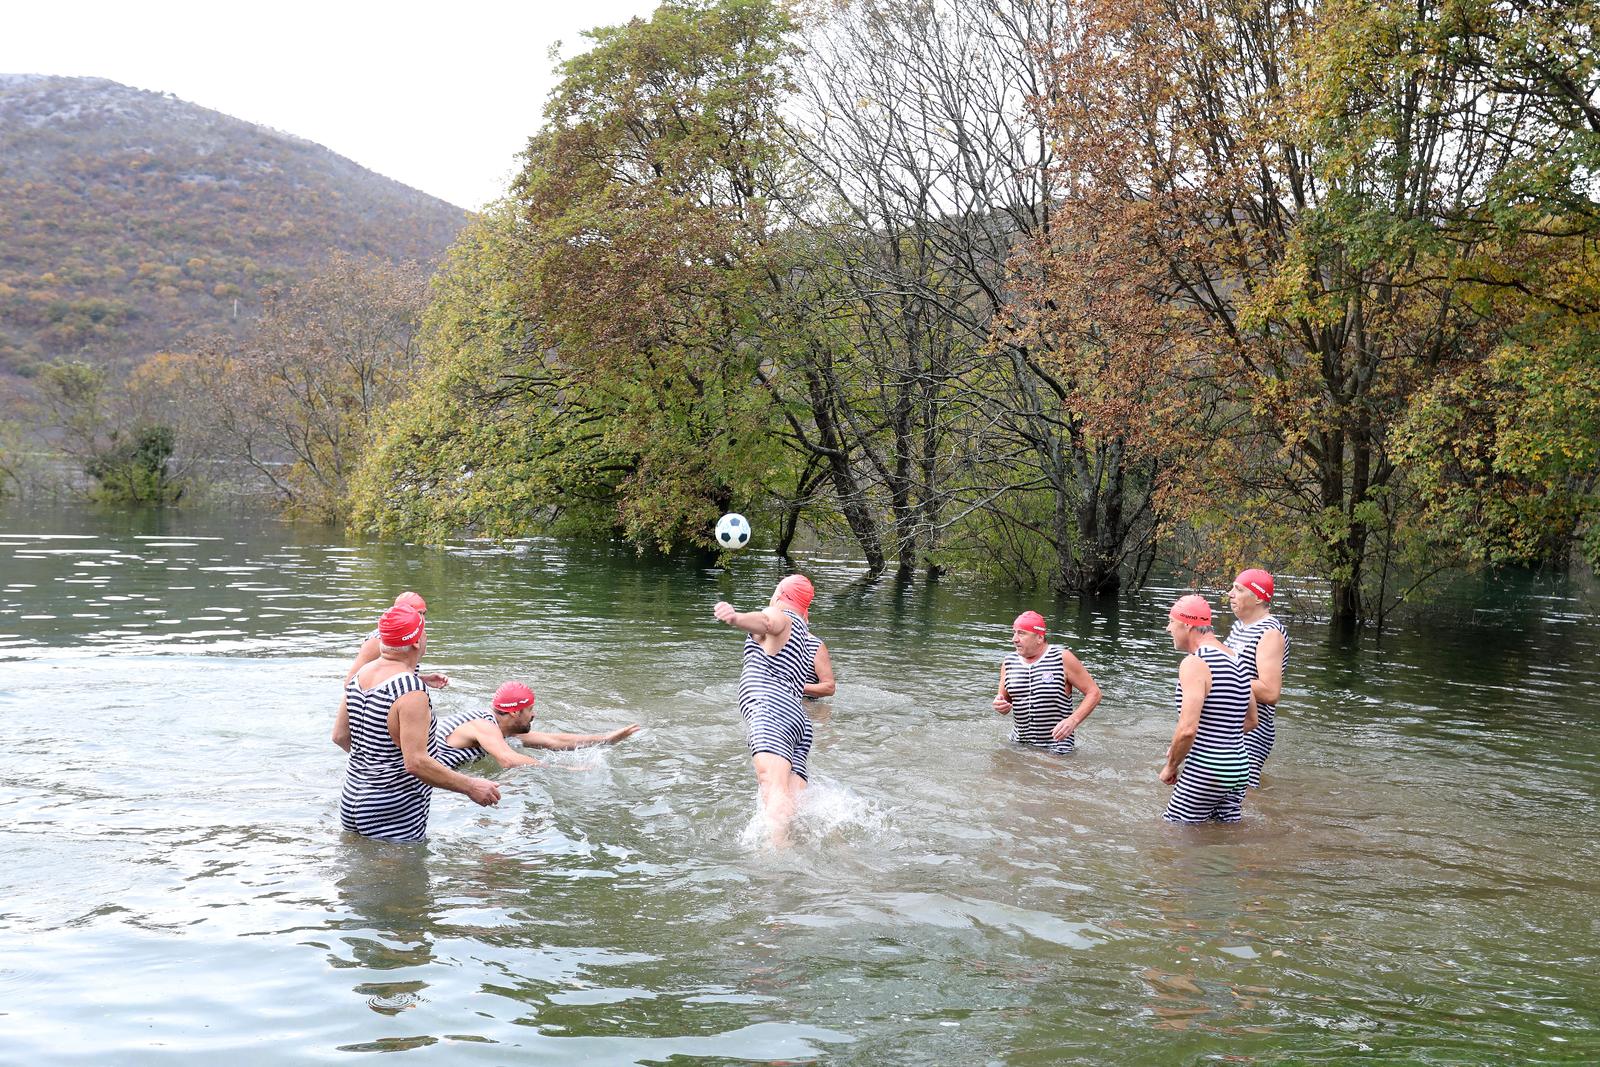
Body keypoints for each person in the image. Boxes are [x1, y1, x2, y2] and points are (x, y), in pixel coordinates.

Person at [338, 604, 500, 842]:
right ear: (416, 641)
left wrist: (375, 765)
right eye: (424, 632)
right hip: (393, 808)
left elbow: (340, 737)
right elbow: (415, 762)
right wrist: (471, 786)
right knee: (403, 879)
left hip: (352, 798)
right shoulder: (410, 690)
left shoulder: (359, 676)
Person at [713, 573, 816, 846]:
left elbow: (768, 621)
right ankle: (802, 846)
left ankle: (776, 865)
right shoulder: (804, 632)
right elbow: (767, 631)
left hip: (771, 710)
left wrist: (735, 618)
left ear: (781, 593)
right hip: (798, 721)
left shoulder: (781, 614)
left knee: (773, 787)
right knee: (791, 799)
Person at [1159, 595, 1258, 824]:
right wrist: (1215, 738)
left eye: (1171, 622)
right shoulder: (1238, 658)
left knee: (1174, 832)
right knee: (1223, 834)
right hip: (1240, 767)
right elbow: (1252, 719)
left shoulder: (1195, 663)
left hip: (1207, 767)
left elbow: (1187, 729)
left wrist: (1171, 765)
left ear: (1187, 624)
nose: (1168, 629)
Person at [433, 681, 642, 770]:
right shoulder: (484, 726)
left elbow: (553, 741)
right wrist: (564, 769)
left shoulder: (500, 729)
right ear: (515, 712)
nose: (534, 715)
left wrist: (608, 738)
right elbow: (508, 760)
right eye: (530, 710)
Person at [334, 591, 447, 752]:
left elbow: (390, 677)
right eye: (416, 614)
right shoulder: (381, 640)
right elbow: (352, 682)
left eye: (423, 614)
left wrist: (422, 679)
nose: (422, 619)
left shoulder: (414, 635)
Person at [992, 611, 1102, 754]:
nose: (1014, 639)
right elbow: (1004, 700)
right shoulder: (1009, 662)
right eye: (1014, 633)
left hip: (1057, 747)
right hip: (1018, 746)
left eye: (1021, 633)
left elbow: (1094, 693)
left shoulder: (1062, 658)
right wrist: (1000, 705)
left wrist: (1073, 720)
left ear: (1039, 637)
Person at [1225, 568, 1289, 789]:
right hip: (1233, 725)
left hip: (1253, 730)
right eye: (1232, 588)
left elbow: (1271, 692)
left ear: (1259, 597)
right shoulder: (1239, 627)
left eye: (1239, 589)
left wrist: (1221, 678)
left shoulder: (1270, 632)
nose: (1230, 594)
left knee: (1244, 799)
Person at [801, 631, 835, 699]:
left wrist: (797, 687)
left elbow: (829, 688)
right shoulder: (774, 641)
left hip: (805, 704)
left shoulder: (815, 645)